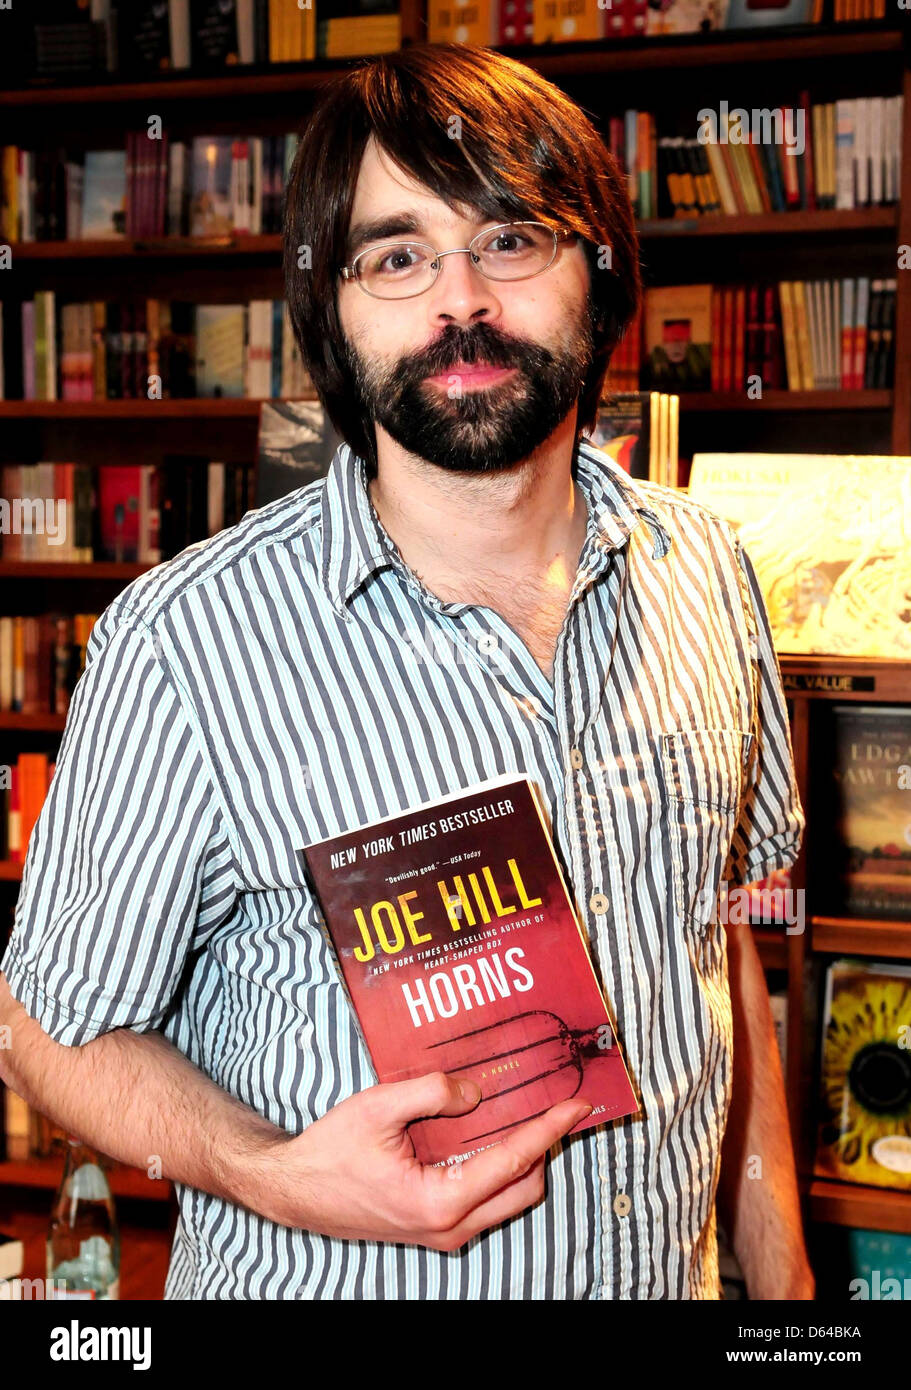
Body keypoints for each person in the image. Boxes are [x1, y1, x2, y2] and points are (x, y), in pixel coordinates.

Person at [0, 42, 812, 1300]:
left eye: (511, 242)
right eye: (396, 257)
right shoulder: (185, 644)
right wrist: (272, 1171)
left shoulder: (709, 571)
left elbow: (719, 942)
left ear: (600, 277)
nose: (459, 303)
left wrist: (784, 1289)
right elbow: (46, 1034)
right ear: (330, 308)